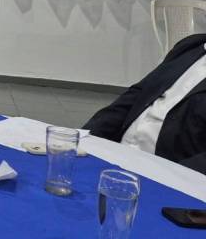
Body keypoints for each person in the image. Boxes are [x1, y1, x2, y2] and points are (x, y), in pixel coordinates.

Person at [84, 34, 206, 174]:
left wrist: (167, 176)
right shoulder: (192, 45)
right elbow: (137, 95)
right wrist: (86, 137)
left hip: (165, 173)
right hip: (116, 156)